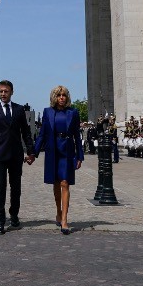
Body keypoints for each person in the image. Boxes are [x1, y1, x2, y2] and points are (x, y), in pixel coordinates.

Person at [0, 80, 35, 235]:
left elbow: (26, 133)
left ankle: (14, 214)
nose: (3, 94)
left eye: (6, 91)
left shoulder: (19, 109)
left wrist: (31, 152)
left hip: (16, 155)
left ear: (12, 92)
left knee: (16, 188)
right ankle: (0, 221)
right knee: (0, 188)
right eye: (1, 91)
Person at [32, 85, 83, 235]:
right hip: (53, 150)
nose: (61, 97)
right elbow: (42, 135)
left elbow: (77, 136)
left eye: (64, 95)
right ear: (54, 97)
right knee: (56, 184)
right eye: (59, 95)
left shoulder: (73, 112)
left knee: (65, 183)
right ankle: (58, 212)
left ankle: (65, 220)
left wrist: (80, 156)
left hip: (67, 150)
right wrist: (33, 153)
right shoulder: (48, 112)